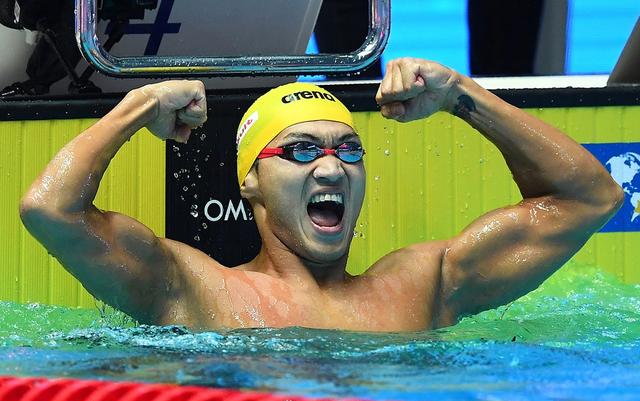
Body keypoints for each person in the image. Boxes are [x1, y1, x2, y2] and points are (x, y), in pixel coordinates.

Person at [20, 58, 623, 331]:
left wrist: (461, 95)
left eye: (348, 149)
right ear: (250, 181)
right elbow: (50, 210)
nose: (333, 167)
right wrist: (139, 105)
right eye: (302, 151)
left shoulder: (423, 287)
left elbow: (590, 198)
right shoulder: (193, 290)